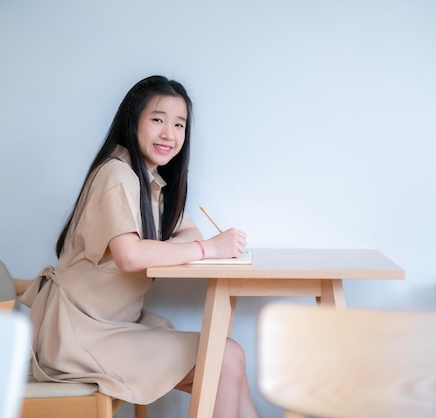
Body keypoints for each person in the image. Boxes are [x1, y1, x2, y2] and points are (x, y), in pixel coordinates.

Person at [20, 75, 259, 418]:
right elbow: (131, 256)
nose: (169, 134)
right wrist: (210, 250)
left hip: (111, 326)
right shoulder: (116, 175)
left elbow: (188, 232)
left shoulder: (149, 184)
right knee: (225, 357)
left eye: (180, 124)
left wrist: (190, 245)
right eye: (158, 119)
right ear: (133, 122)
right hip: (80, 335)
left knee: (226, 360)